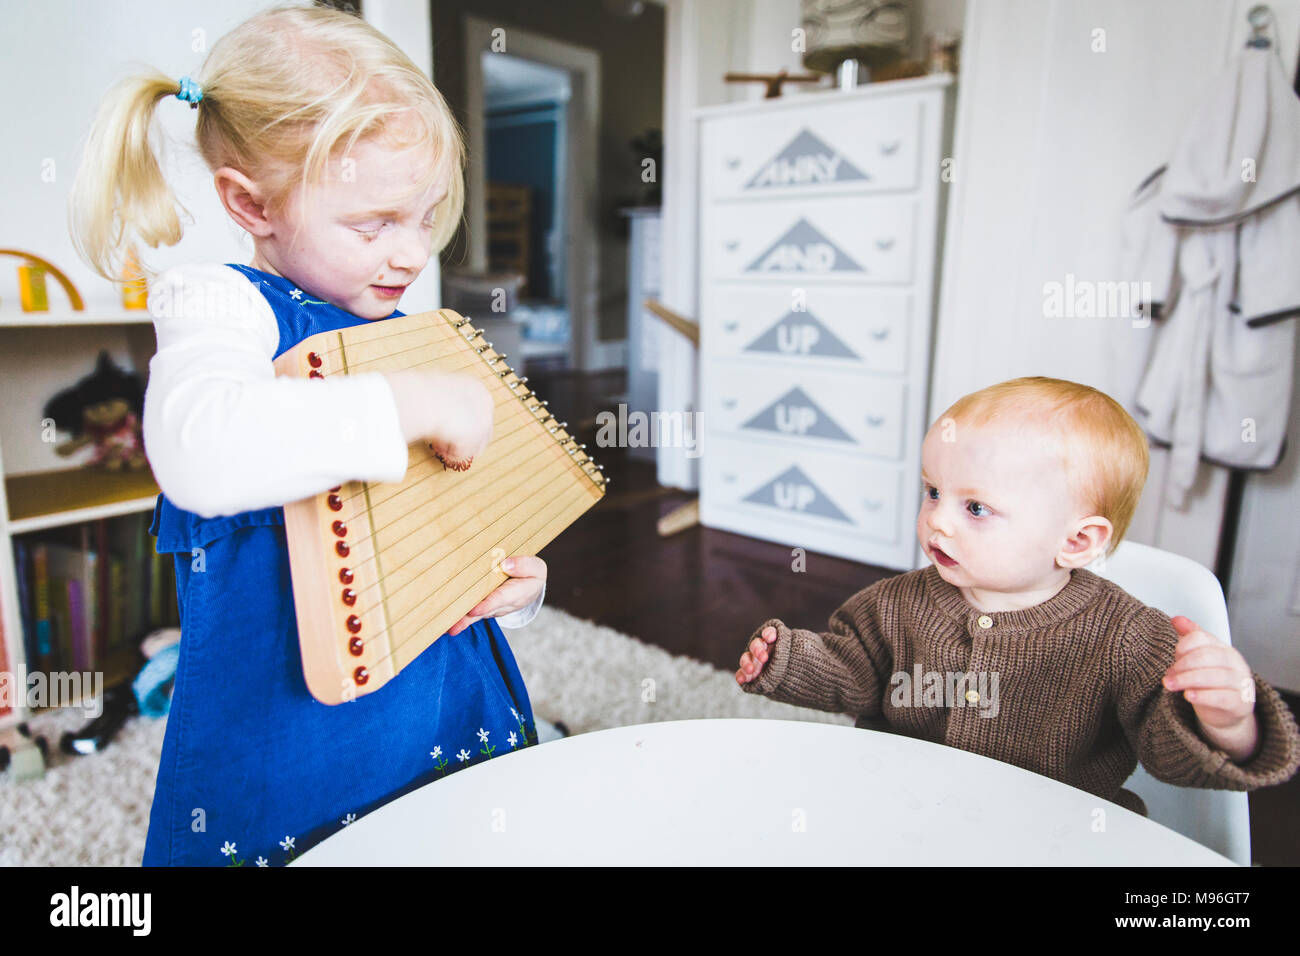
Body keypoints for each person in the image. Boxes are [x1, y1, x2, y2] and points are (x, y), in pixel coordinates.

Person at [69, 4, 548, 866]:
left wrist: (514, 585)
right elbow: (201, 453)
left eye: (424, 215)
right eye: (372, 224)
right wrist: (416, 403)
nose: (408, 254)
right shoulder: (221, 306)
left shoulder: (406, 329)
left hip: (442, 695)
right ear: (250, 204)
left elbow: (454, 522)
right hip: (289, 734)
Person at [736, 376, 1300, 815]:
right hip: (904, 808)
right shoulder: (897, 602)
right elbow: (855, 670)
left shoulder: (1126, 637)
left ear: (1077, 541)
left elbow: (1168, 751)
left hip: (1058, 833)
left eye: (975, 508)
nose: (939, 523)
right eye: (933, 492)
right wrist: (789, 661)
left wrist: (1227, 722)